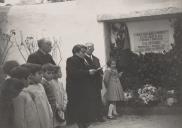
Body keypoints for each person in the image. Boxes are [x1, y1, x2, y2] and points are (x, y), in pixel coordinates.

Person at [66, 44, 97, 128]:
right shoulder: (70, 60)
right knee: (79, 109)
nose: (85, 53)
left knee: (84, 108)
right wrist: (88, 72)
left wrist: (93, 71)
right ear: (76, 52)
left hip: (84, 89)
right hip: (76, 90)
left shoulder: (83, 59)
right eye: (83, 52)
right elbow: (73, 73)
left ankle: (84, 125)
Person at [21, 63, 53, 128]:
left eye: (42, 73)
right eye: (39, 73)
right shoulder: (26, 90)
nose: (42, 75)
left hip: (46, 118)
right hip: (35, 122)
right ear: (30, 75)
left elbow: (47, 102)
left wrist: (50, 112)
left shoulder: (41, 86)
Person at [84, 42, 105, 122]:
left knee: (97, 99)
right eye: (88, 47)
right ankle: (91, 117)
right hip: (88, 83)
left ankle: (99, 116)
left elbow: (99, 68)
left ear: (93, 49)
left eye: (91, 47)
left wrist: (101, 73)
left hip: (96, 83)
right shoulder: (82, 59)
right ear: (85, 49)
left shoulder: (96, 59)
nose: (90, 48)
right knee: (90, 100)